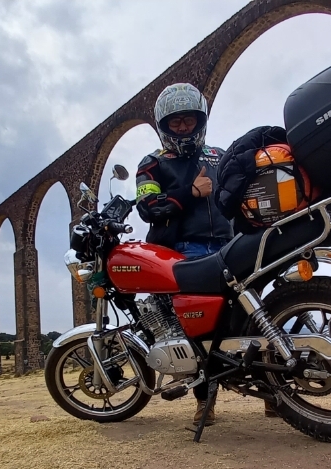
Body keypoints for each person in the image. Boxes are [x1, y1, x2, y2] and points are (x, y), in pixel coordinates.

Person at [134, 83, 233, 425]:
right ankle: (205, 400)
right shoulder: (154, 163)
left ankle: (272, 393)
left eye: (188, 120)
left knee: (247, 317)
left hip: (230, 244)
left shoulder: (220, 156)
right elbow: (148, 207)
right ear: (164, 126)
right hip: (183, 251)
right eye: (175, 122)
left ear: (200, 121)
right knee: (196, 330)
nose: (183, 128)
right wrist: (190, 192)